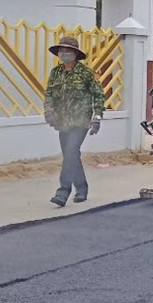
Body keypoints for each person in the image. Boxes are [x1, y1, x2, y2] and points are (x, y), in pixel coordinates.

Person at [43, 37, 105, 207]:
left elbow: (98, 95)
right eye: (62, 51)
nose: (64, 54)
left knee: (70, 152)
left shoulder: (86, 73)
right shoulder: (55, 72)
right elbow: (49, 94)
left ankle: (63, 191)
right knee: (71, 155)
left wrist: (97, 118)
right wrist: (49, 112)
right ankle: (82, 187)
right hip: (62, 121)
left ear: (76, 54)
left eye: (68, 51)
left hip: (81, 121)